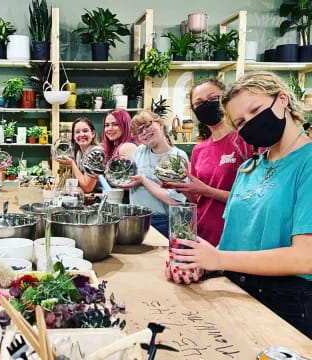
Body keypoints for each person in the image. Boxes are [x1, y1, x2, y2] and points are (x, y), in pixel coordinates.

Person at [168, 71, 312, 338]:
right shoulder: (249, 169)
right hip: (236, 291)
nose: (251, 124)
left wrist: (219, 258)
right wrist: (202, 263)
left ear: (282, 100)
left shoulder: (307, 164)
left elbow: (306, 257)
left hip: (286, 305)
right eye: (241, 122)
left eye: (255, 110)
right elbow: (233, 240)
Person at [163, 79, 254, 246]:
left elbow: (254, 199)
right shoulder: (199, 150)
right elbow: (198, 199)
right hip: (204, 236)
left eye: (213, 99)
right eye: (199, 102)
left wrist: (207, 190)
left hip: (235, 238)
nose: (206, 105)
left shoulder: (245, 141)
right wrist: (181, 187)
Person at [122, 110, 187, 237]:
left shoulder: (177, 157)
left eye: (147, 126)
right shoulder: (140, 151)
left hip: (162, 221)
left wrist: (143, 181)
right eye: (139, 132)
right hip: (137, 218)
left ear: (161, 124)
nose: (144, 132)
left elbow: (174, 200)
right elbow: (132, 179)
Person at [55, 117, 101, 194]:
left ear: (93, 134)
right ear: (73, 136)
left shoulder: (96, 153)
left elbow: (87, 187)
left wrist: (72, 164)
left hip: (100, 198)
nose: (81, 134)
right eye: (77, 132)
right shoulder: (79, 153)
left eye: (85, 131)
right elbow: (77, 182)